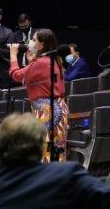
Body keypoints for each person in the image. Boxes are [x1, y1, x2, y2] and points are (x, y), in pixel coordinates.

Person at [8, 28, 68, 162]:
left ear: (42, 45)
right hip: (57, 108)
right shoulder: (53, 60)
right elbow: (36, 79)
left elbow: (17, 76)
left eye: (34, 40)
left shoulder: (41, 62)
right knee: (56, 154)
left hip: (47, 111)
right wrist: (32, 62)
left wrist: (13, 54)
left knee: (44, 152)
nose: (31, 42)